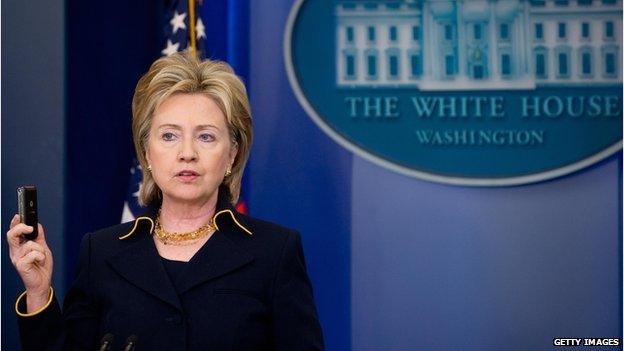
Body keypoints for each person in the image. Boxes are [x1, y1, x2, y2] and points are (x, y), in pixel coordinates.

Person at [7, 52, 324, 350]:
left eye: (206, 136)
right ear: (146, 153)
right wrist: (38, 293)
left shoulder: (274, 251)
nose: (187, 153)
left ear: (232, 154)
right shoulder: (101, 253)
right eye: (169, 136)